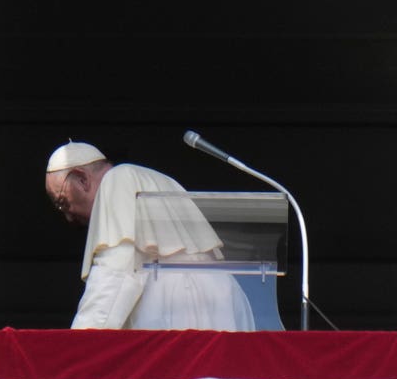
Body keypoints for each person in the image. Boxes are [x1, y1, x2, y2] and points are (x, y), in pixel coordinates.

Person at [45, 141, 256, 330]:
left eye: (63, 202)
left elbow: (116, 274)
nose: (68, 217)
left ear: (82, 179)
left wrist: (78, 344)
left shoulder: (117, 179)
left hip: (179, 307)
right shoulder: (156, 178)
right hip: (223, 303)